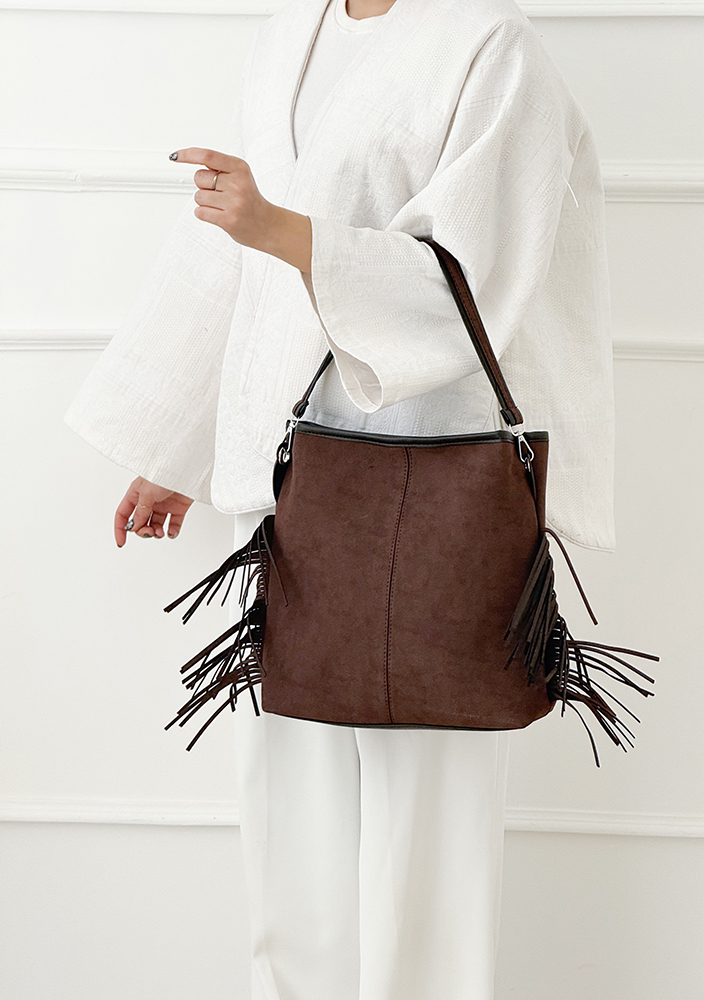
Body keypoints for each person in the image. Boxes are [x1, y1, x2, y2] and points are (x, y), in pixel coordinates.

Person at [65, 0, 616, 996]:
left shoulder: (488, 47)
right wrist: (175, 445)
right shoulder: (289, 32)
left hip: (437, 484)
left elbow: (481, 274)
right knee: (290, 820)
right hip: (288, 489)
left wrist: (280, 228)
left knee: (427, 829)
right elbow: (229, 256)